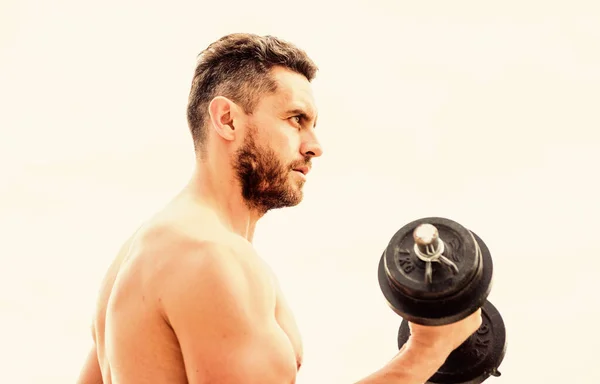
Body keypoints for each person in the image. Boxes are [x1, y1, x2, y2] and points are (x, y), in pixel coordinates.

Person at [76, 33, 482, 384]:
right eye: (295, 119)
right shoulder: (209, 256)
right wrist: (425, 353)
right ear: (227, 120)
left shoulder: (139, 254)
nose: (314, 146)